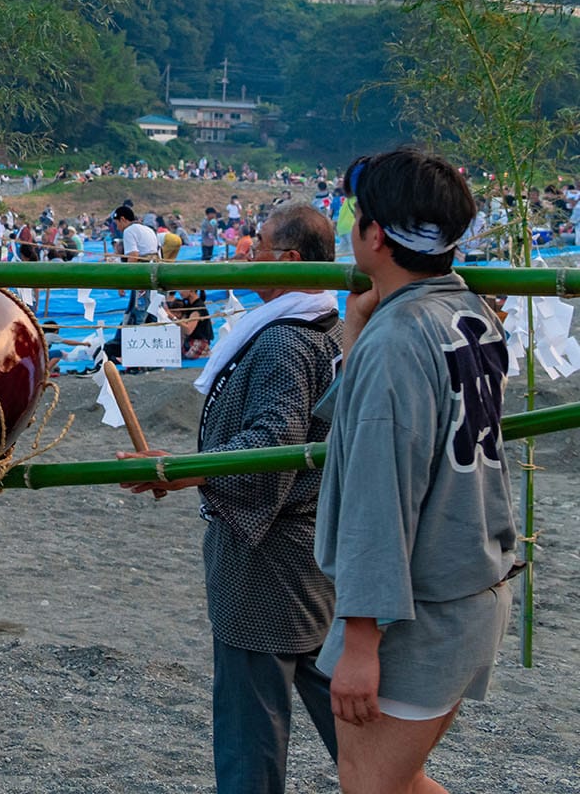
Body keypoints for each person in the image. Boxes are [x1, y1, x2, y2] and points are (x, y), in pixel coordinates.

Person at [119, 204, 343, 793]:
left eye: (259, 244)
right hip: (309, 544)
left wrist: (177, 470)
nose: (247, 251)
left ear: (290, 260)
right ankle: (391, 780)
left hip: (269, 549)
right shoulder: (326, 325)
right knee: (332, 694)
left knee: (251, 720)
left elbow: (272, 445)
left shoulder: (288, 344)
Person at [315, 149, 517, 794]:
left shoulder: (401, 339)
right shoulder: (470, 313)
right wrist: (357, 327)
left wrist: (360, 643)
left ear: (374, 234)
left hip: (419, 610)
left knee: (369, 786)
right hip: (472, 587)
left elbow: (379, 498)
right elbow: (372, 425)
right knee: (397, 784)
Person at [105, 206, 160, 367]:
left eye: (117, 223)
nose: (117, 227)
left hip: (141, 278)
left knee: (138, 316)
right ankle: (152, 357)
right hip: (153, 275)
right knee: (150, 315)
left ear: (123, 219)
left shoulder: (129, 231)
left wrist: (124, 282)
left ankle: (135, 359)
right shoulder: (148, 229)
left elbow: (133, 256)